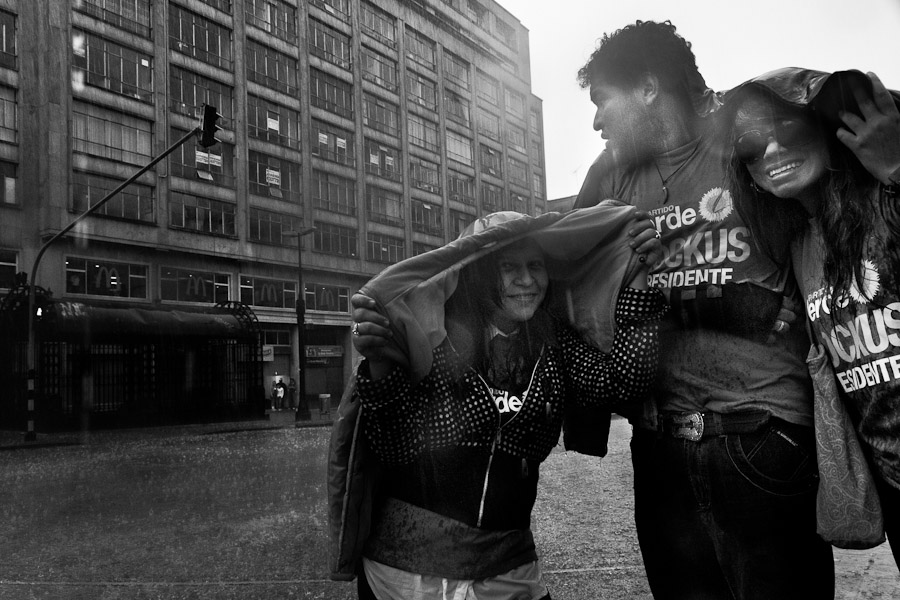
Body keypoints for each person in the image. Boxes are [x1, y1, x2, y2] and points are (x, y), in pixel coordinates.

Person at [573, 21, 834, 600]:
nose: (596, 123)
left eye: (602, 103)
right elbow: (560, 274)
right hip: (660, 451)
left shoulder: (747, 135)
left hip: (762, 437)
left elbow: (834, 207)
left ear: (646, 88)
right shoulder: (610, 173)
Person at [341, 208, 667, 600]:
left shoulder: (553, 342)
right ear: (479, 274)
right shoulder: (434, 334)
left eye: (536, 265)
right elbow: (392, 441)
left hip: (508, 564)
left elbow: (623, 382)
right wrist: (378, 361)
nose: (527, 281)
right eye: (509, 267)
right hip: (408, 572)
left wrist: (638, 276)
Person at [724, 67, 900, 568]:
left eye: (791, 130)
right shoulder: (800, 245)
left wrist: (897, 168)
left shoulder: (883, 199)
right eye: (751, 144)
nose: (773, 153)